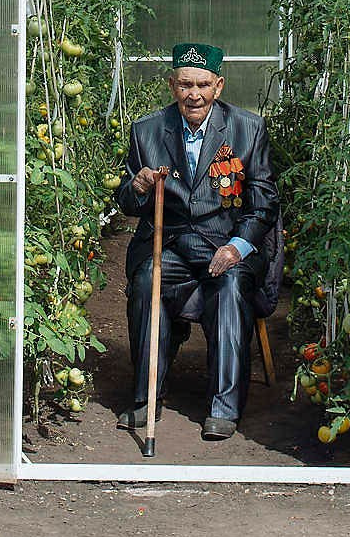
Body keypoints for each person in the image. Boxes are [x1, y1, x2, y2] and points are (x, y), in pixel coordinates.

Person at [113, 41, 276, 441]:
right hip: (168, 243)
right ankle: (146, 397)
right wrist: (135, 187)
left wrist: (237, 246)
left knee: (232, 284)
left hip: (224, 242)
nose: (194, 94)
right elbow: (129, 204)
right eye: (186, 84)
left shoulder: (247, 129)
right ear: (173, 86)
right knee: (146, 280)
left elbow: (264, 202)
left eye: (203, 84)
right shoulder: (147, 130)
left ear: (218, 86)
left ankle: (224, 406)